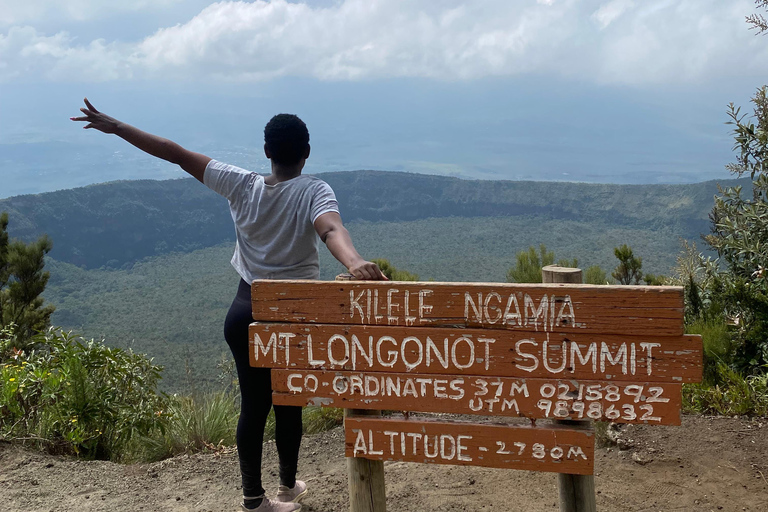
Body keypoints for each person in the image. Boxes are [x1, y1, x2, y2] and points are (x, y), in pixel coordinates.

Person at [71, 99, 387, 512]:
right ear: (306, 153)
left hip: (244, 311)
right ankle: (285, 487)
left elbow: (173, 151)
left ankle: (256, 498)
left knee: (254, 406)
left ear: (267, 152)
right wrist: (354, 262)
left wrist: (116, 126)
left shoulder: (241, 183)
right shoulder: (315, 190)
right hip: (291, 318)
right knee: (288, 401)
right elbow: (330, 229)